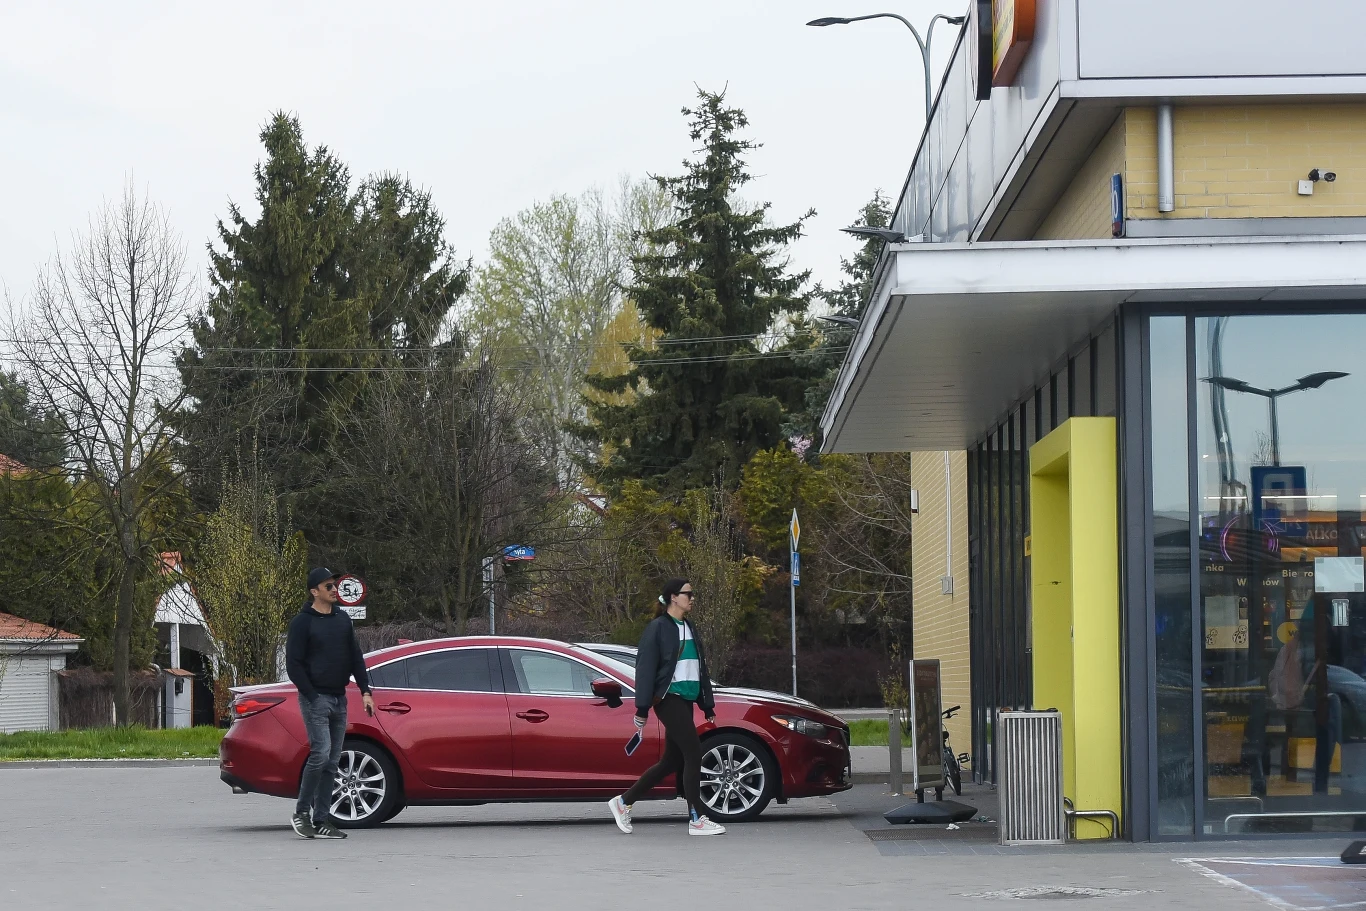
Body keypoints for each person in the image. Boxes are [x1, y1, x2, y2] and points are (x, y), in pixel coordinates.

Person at [607, 578, 726, 836]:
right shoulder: (658, 628)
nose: (692, 598)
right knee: (694, 753)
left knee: (671, 761)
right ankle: (697, 819)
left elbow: (698, 668)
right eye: (688, 594)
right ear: (673, 597)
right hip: (668, 699)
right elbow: (646, 670)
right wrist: (641, 709)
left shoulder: (689, 627)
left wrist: (707, 704)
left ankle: (623, 801)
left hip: (685, 700)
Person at [285, 567, 375, 839]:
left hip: (339, 697)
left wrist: (364, 690)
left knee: (333, 760)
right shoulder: (302, 622)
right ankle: (301, 812)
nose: (335, 590)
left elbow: (355, 656)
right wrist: (311, 695)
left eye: (334, 585)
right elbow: (294, 664)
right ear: (315, 592)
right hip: (316, 699)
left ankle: (322, 819)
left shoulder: (342, 620)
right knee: (321, 753)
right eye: (328, 587)